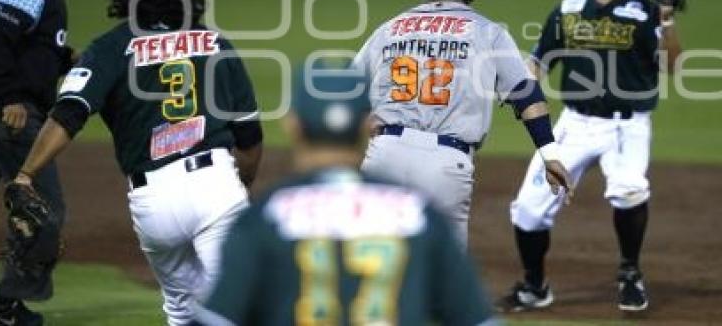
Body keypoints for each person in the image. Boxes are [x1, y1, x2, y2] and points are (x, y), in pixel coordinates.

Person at [8, 0, 264, 325]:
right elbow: (249, 140)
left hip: (152, 202)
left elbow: (68, 115)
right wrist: (238, 189)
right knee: (242, 303)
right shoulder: (214, 44)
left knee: (181, 309)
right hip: (214, 187)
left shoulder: (109, 48)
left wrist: (26, 174)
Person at [193, 60, 499, 326]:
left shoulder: (262, 219)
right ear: (367, 125)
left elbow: (216, 319)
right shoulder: (423, 215)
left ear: (293, 125)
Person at [498, 0, 683, 313]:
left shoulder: (648, 12)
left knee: (629, 190)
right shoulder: (568, 9)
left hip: (626, 125)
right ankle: (534, 287)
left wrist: (666, 19)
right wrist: (518, 89)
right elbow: (538, 61)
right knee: (529, 209)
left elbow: (672, 64)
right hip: (575, 122)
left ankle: (630, 274)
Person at [354, 0, 573, 246]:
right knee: (445, 275)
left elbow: (346, 89)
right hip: (445, 164)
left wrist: (365, 125)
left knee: (370, 260)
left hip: (385, 155)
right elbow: (527, 95)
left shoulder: (389, 29)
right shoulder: (487, 32)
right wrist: (550, 155)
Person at [0, 0, 94, 325]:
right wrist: (9, 96)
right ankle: (5, 307)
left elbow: (23, 42)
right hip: (9, 116)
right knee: (42, 210)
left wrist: (63, 57)